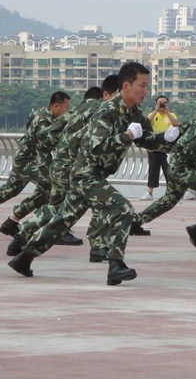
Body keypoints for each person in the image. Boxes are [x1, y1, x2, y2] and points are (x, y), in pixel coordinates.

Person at [7, 62, 178, 285]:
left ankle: (23, 258)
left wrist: (165, 138)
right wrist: (126, 135)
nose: (146, 91)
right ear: (126, 86)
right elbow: (98, 147)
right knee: (123, 209)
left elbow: (145, 139)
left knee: (62, 221)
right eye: (142, 85)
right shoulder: (106, 111)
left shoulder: (134, 112)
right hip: (85, 174)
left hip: (92, 175)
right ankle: (116, 265)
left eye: (147, 86)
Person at [7, 75, 120, 260]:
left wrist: (55, 153)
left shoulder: (78, 109)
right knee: (96, 201)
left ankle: (22, 237)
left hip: (63, 165)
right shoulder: (100, 109)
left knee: (58, 207)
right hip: (74, 168)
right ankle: (97, 246)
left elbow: (49, 134)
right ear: (107, 94)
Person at [129, 102, 196, 248]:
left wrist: (172, 147)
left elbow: (181, 129)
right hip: (182, 168)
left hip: (176, 164)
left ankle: (135, 222)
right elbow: (187, 151)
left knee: (168, 201)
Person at [0, 92, 71, 236]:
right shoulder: (43, 119)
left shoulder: (42, 114)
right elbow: (45, 137)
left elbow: (30, 126)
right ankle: (30, 221)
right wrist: (63, 124)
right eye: (66, 108)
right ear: (56, 106)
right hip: (29, 160)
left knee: (11, 189)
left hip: (26, 158)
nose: (67, 111)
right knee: (50, 187)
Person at [140, 95, 178, 201]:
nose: (162, 105)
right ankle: (149, 193)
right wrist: (156, 111)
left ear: (167, 104)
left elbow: (176, 124)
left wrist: (167, 112)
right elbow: (145, 123)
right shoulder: (152, 114)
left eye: (164, 103)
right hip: (154, 148)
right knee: (153, 170)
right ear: (156, 104)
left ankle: (172, 193)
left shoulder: (171, 115)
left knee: (169, 172)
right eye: (159, 103)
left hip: (167, 149)